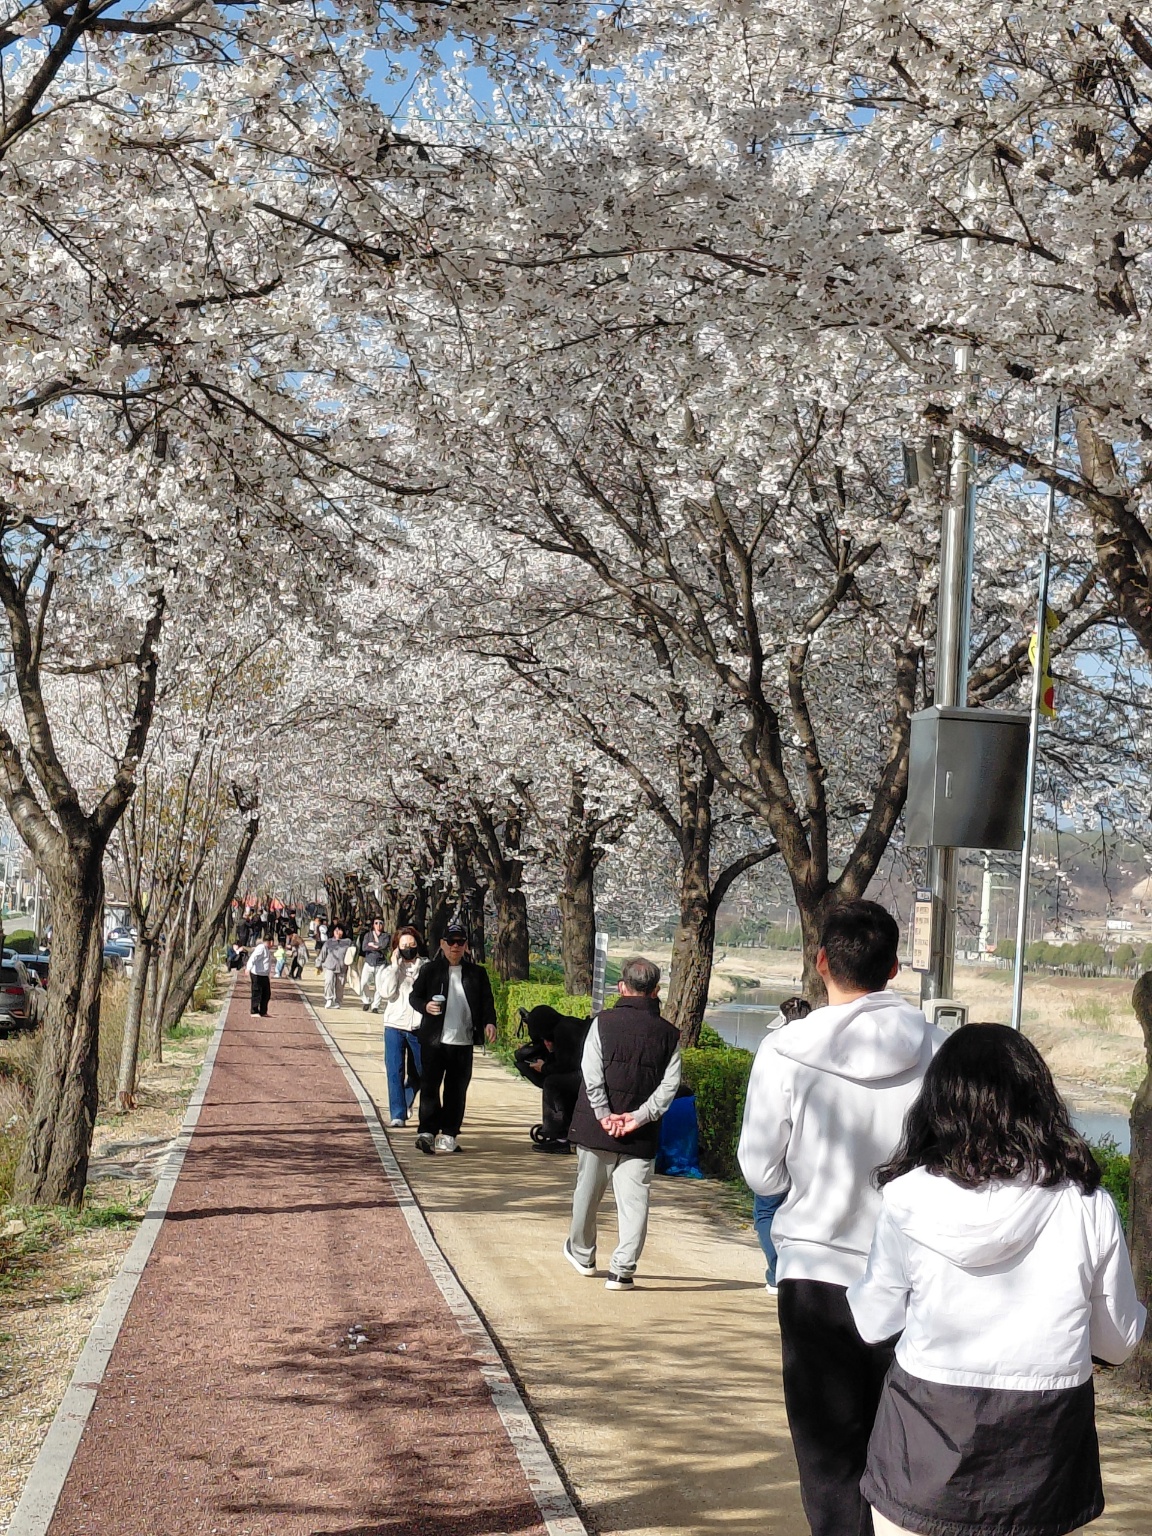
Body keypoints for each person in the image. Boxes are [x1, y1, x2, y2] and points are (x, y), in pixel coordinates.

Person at [848, 1024, 1145, 1536]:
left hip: (923, 1448)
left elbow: (875, 1322)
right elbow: (1116, 1343)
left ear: (938, 1104)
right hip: (1044, 1458)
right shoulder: (1087, 1203)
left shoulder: (906, 1198)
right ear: (1040, 1100)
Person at [737, 900, 943, 1536]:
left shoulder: (785, 1049)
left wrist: (797, 1190)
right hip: (916, 1276)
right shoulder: (939, 1049)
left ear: (821, 959)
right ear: (894, 967)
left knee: (828, 1457)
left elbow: (759, 1170)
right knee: (907, 1449)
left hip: (816, 1270)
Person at [564, 956, 681, 1290]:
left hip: (597, 1130)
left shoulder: (602, 1023)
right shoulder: (669, 1034)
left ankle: (583, 1255)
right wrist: (639, 1117)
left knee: (587, 1195)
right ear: (656, 990)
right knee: (635, 1203)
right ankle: (623, 1270)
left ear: (621, 987)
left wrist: (604, 1115)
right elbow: (670, 1085)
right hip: (640, 1135)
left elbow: (591, 1073)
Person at [408, 922, 497, 1154]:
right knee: (430, 1086)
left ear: (466, 945)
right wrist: (426, 1006)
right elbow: (414, 997)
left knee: (456, 1090)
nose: (455, 946)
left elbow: (487, 1002)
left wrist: (490, 1023)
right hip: (434, 1040)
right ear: (442, 944)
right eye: (451, 942)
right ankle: (426, 1132)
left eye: (460, 942)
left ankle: (449, 1134)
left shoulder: (477, 973)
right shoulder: (431, 970)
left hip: (463, 1041)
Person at [751, 995, 811, 1294]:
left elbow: (761, 1099)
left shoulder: (771, 1047)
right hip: (810, 1143)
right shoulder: (821, 1045)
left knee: (766, 1209)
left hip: (772, 1139)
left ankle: (777, 1271)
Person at [513, 1004, 592, 1153]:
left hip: (585, 1076)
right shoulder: (566, 1024)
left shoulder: (562, 1031)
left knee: (552, 1083)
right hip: (586, 1073)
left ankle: (560, 1137)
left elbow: (565, 1065)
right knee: (558, 1082)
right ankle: (562, 1131)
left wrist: (543, 1067)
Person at [376, 926, 427, 1127]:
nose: (408, 949)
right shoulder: (388, 970)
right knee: (394, 1070)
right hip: (394, 1026)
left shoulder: (426, 967)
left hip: (418, 1027)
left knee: (421, 1071)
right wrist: (394, 967)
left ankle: (406, 1099)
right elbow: (386, 993)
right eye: (404, 945)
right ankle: (397, 1114)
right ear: (396, 947)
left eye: (412, 945)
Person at [317, 923, 352, 1009]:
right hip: (330, 966)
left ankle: (338, 1002)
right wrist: (318, 964)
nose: (338, 932)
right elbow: (323, 954)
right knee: (328, 981)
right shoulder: (328, 942)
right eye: (336, 930)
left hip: (342, 968)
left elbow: (352, 954)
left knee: (340, 986)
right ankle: (329, 998)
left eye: (340, 930)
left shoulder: (348, 942)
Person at [358, 916, 390, 1011]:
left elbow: (383, 946)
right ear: (373, 925)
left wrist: (372, 945)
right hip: (369, 962)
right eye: (376, 923)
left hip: (380, 963)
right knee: (363, 984)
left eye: (380, 923)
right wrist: (376, 946)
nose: (378, 925)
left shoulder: (386, 936)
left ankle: (375, 1006)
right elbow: (364, 947)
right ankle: (367, 1000)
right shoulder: (368, 935)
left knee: (379, 985)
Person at [246, 932, 273, 1016]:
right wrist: (248, 968)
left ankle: (263, 1011)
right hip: (257, 974)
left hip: (264, 975)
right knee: (257, 992)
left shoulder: (266, 949)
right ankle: (254, 1011)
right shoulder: (261, 948)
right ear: (270, 941)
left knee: (266, 993)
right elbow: (253, 957)